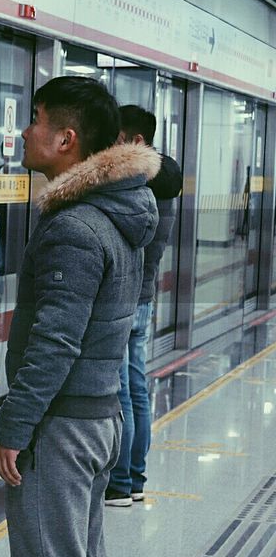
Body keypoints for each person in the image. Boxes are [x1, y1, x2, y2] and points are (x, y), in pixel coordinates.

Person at [0, 77, 160, 557]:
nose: (25, 130)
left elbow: (55, 342)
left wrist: (16, 425)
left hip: (60, 427)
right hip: (101, 415)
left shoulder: (73, 227)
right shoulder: (122, 212)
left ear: (65, 139)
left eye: (35, 118)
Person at [105, 105, 182, 507]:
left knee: (121, 392)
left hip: (126, 298)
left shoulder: (141, 184)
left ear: (136, 141)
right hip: (144, 297)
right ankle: (133, 478)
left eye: (115, 137)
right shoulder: (163, 181)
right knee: (135, 389)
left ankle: (119, 482)